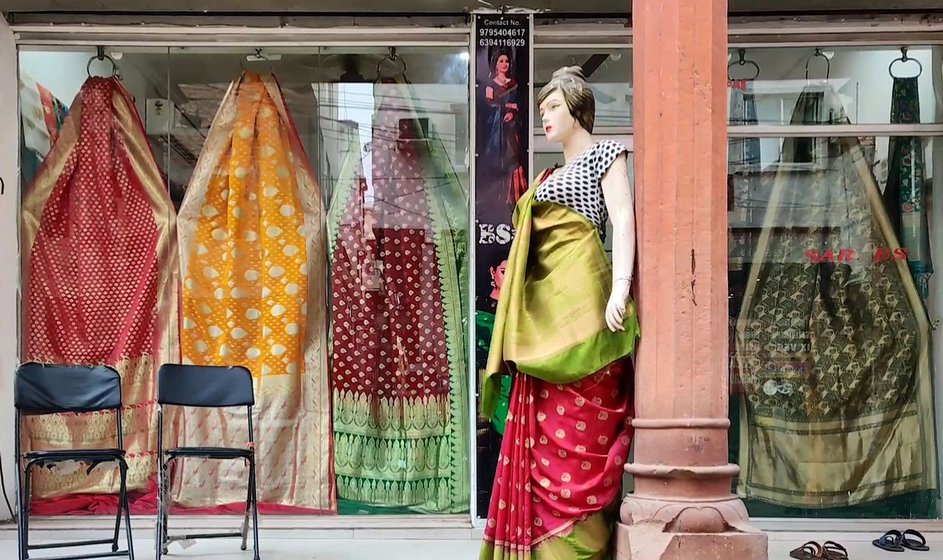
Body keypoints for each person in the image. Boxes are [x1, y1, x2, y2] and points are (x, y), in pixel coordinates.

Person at [479, 65, 640, 560]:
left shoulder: (605, 156)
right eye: (542, 108)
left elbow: (623, 221)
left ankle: (580, 547)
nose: (544, 116)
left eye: (552, 107)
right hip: (543, 326)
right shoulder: (546, 177)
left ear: (577, 108)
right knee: (544, 437)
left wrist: (620, 288)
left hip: (588, 315)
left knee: (582, 433)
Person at [481, 51, 527, 207]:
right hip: (496, 127)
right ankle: (497, 196)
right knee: (497, 157)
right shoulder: (490, 84)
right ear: (495, 64)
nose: (504, 64)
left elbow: (519, 106)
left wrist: (513, 113)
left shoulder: (513, 84)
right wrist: (505, 108)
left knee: (512, 158)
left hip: (511, 127)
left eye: (507, 61)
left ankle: (512, 196)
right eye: (501, 61)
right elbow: (489, 105)